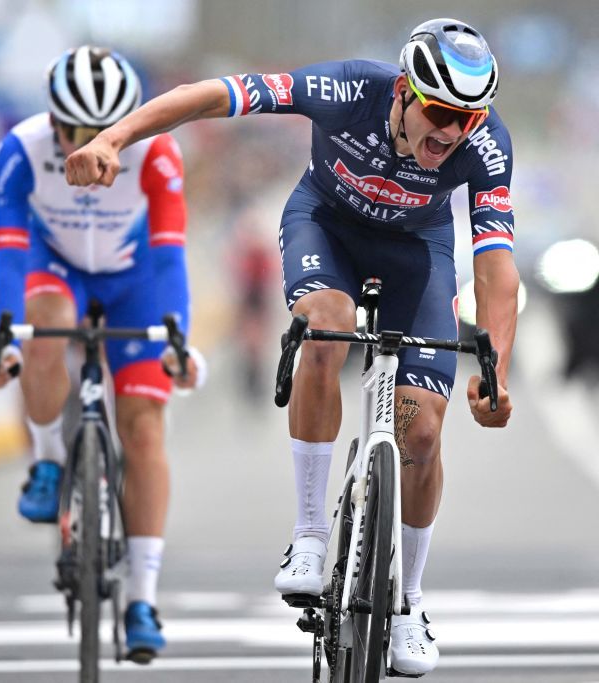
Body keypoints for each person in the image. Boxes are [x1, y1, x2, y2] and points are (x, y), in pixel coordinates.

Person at [65, 19, 517, 676]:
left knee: (421, 432)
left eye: (468, 119)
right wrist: (111, 137)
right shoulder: (344, 90)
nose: (451, 133)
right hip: (325, 227)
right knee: (327, 328)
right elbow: (210, 95)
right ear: (402, 92)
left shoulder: (486, 144)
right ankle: (308, 535)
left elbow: (496, 263)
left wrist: (496, 369)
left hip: (418, 256)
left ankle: (410, 602)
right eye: (440, 112)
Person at [0, 45, 205, 663]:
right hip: (58, 269)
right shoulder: (22, 150)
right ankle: (51, 460)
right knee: (44, 321)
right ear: (52, 120)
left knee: (143, 427)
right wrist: (6, 334)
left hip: (134, 280)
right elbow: (7, 249)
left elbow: (168, 255)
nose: (89, 146)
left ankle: (141, 598)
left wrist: (177, 338)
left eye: (103, 132)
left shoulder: (156, 150)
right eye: (75, 131)